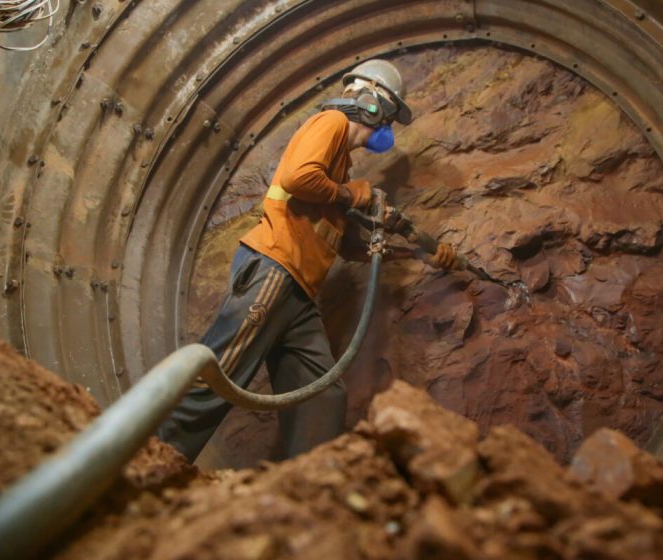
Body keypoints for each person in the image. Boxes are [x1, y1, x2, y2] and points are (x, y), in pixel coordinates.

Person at [158, 59, 458, 462]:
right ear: (370, 102)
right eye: (386, 113)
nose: (384, 126)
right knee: (220, 372)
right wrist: (353, 195)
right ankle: (154, 460)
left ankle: (311, 486)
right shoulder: (331, 122)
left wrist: (418, 252)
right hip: (276, 265)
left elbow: (348, 245)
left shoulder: (340, 167)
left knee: (321, 392)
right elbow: (299, 178)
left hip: (299, 291)